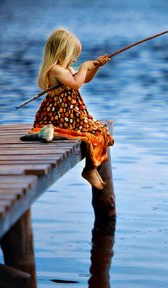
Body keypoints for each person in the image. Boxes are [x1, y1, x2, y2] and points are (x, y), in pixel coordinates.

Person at [30, 28, 114, 190]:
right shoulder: (56, 70)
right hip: (61, 115)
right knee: (94, 133)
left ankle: (92, 168)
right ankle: (90, 170)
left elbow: (85, 79)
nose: (75, 59)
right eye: (73, 54)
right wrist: (83, 67)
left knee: (100, 131)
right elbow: (76, 84)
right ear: (62, 52)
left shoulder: (66, 69)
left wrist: (95, 67)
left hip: (72, 113)